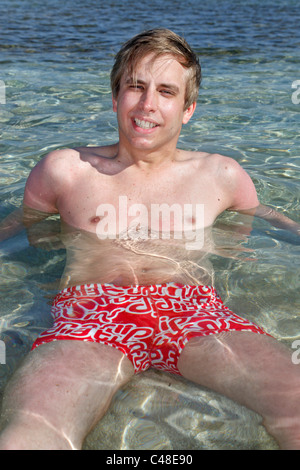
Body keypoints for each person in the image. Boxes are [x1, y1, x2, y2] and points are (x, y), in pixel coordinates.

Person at [0, 28, 300, 450]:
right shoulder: (64, 171)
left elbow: (264, 221)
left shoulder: (220, 175)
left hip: (194, 314)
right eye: (135, 87)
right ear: (114, 97)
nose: (147, 105)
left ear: (188, 108)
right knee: (27, 437)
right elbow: (24, 228)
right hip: (91, 316)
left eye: (166, 91)